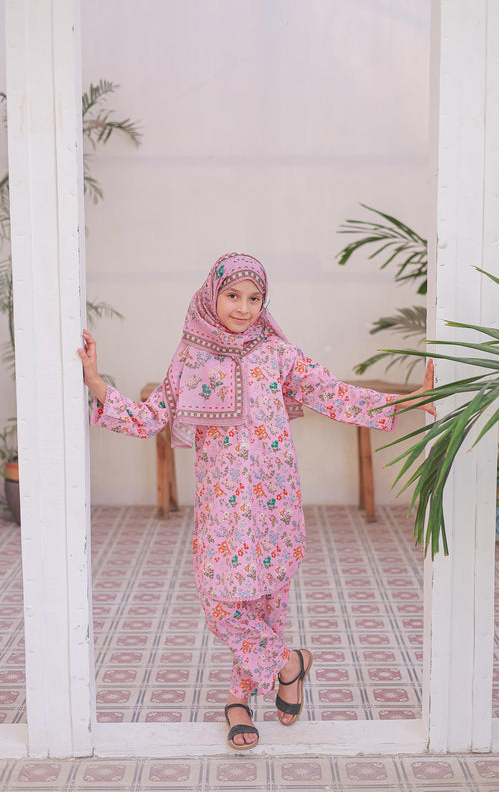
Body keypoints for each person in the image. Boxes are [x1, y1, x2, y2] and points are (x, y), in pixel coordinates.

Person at [79, 252, 434, 750]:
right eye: (233, 295)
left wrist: (408, 401)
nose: (243, 307)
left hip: (274, 500)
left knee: (263, 604)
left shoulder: (277, 354)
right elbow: (150, 417)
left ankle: (238, 702)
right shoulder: (190, 356)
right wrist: (96, 382)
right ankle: (290, 662)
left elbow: (331, 394)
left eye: (254, 298)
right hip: (222, 508)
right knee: (221, 602)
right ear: (212, 295)